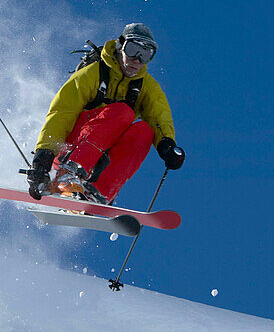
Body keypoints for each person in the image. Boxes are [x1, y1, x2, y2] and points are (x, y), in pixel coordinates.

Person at [26, 23, 185, 204]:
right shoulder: (93, 74)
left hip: (98, 162)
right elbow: (62, 113)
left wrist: (166, 144)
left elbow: (159, 116)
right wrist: (42, 158)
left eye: (146, 55)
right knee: (124, 112)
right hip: (70, 150)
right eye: (133, 50)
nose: (137, 60)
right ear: (120, 46)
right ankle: (66, 176)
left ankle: (96, 192)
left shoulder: (147, 86)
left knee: (145, 131)